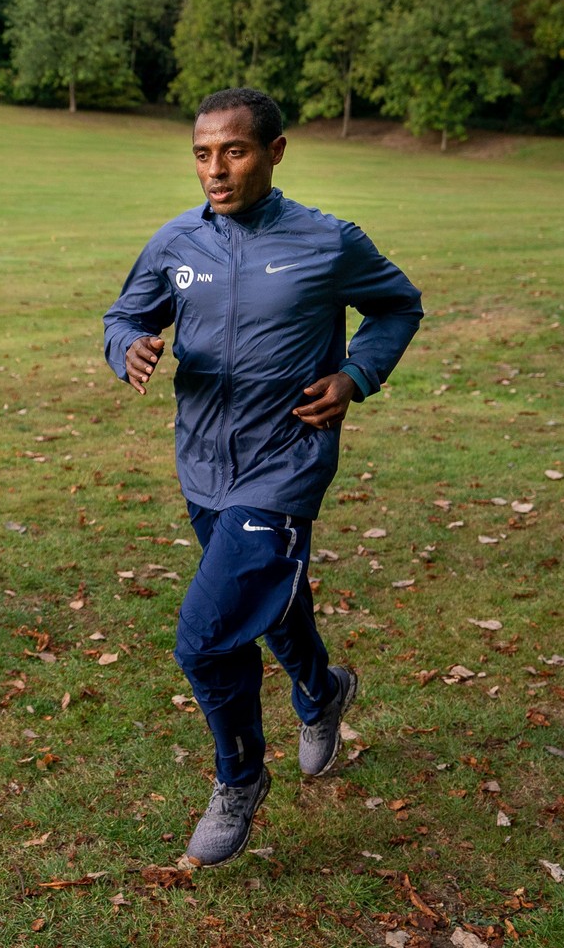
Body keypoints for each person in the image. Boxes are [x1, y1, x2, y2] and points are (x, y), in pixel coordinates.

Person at [102, 87, 423, 867]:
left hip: (285, 461)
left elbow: (398, 307)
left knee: (206, 639)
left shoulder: (327, 240)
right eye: (203, 154)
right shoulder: (177, 242)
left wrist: (354, 377)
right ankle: (321, 692)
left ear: (275, 152)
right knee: (271, 600)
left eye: (234, 152)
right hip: (203, 461)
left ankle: (239, 776)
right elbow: (125, 318)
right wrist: (129, 350)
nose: (215, 169)